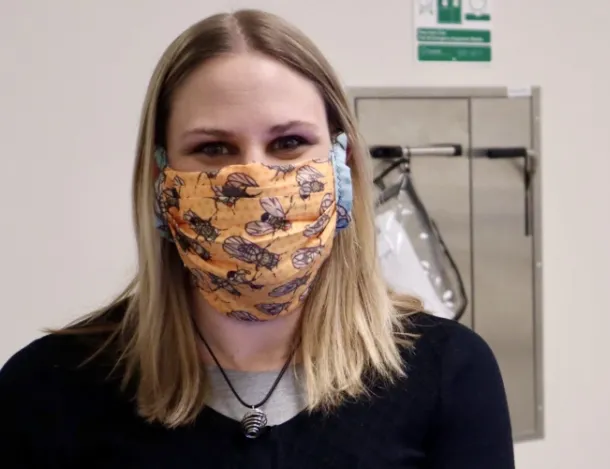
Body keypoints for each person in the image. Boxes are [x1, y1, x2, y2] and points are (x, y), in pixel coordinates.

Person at [0, 9, 514, 468]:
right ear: (161, 181)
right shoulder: (47, 388)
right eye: (213, 147)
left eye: (289, 143)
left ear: (341, 166)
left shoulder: (446, 374)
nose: (255, 176)